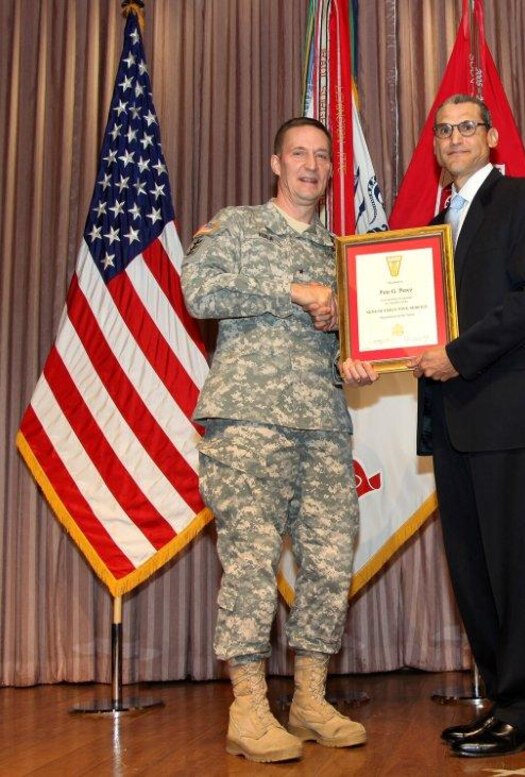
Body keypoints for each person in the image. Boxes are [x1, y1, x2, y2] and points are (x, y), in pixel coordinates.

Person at [182, 117, 374, 763]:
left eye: (323, 156)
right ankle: (248, 705)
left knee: (327, 561)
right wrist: (293, 289)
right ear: (275, 162)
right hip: (249, 421)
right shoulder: (236, 225)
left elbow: (355, 340)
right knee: (252, 562)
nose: (312, 165)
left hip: (322, 422)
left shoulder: (342, 253)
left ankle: (311, 697)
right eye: (300, 153)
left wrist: (354, 354)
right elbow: (198, 289)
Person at [409, 94, 525, 757]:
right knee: (472, 571)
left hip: (506, 409)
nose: (453, 139)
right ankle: (502, 697)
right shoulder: (432, 221)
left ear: (493, 136)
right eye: (443, 131)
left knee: (517, 567)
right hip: (451, 419)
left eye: (465, 127)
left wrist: (458, 354)